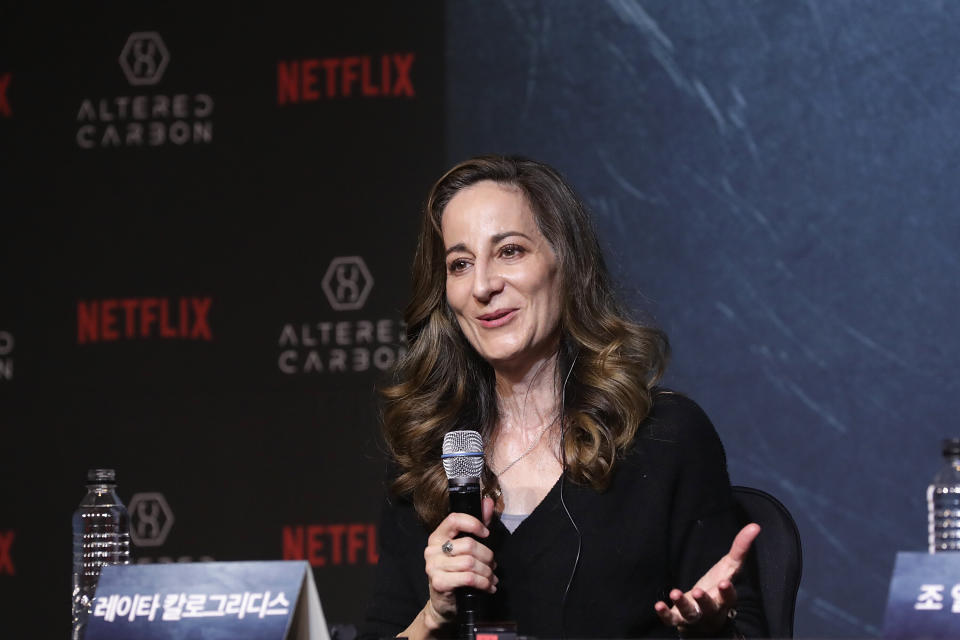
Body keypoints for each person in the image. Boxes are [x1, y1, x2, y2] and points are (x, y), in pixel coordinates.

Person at [364, 155, 766, 639]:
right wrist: (432, 615)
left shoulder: (663, 437)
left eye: (510, 251)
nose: (484, 285)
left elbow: (744, 628)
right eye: (460, 263)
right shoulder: (430, 457)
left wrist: (709, 631)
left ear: (567, 264)